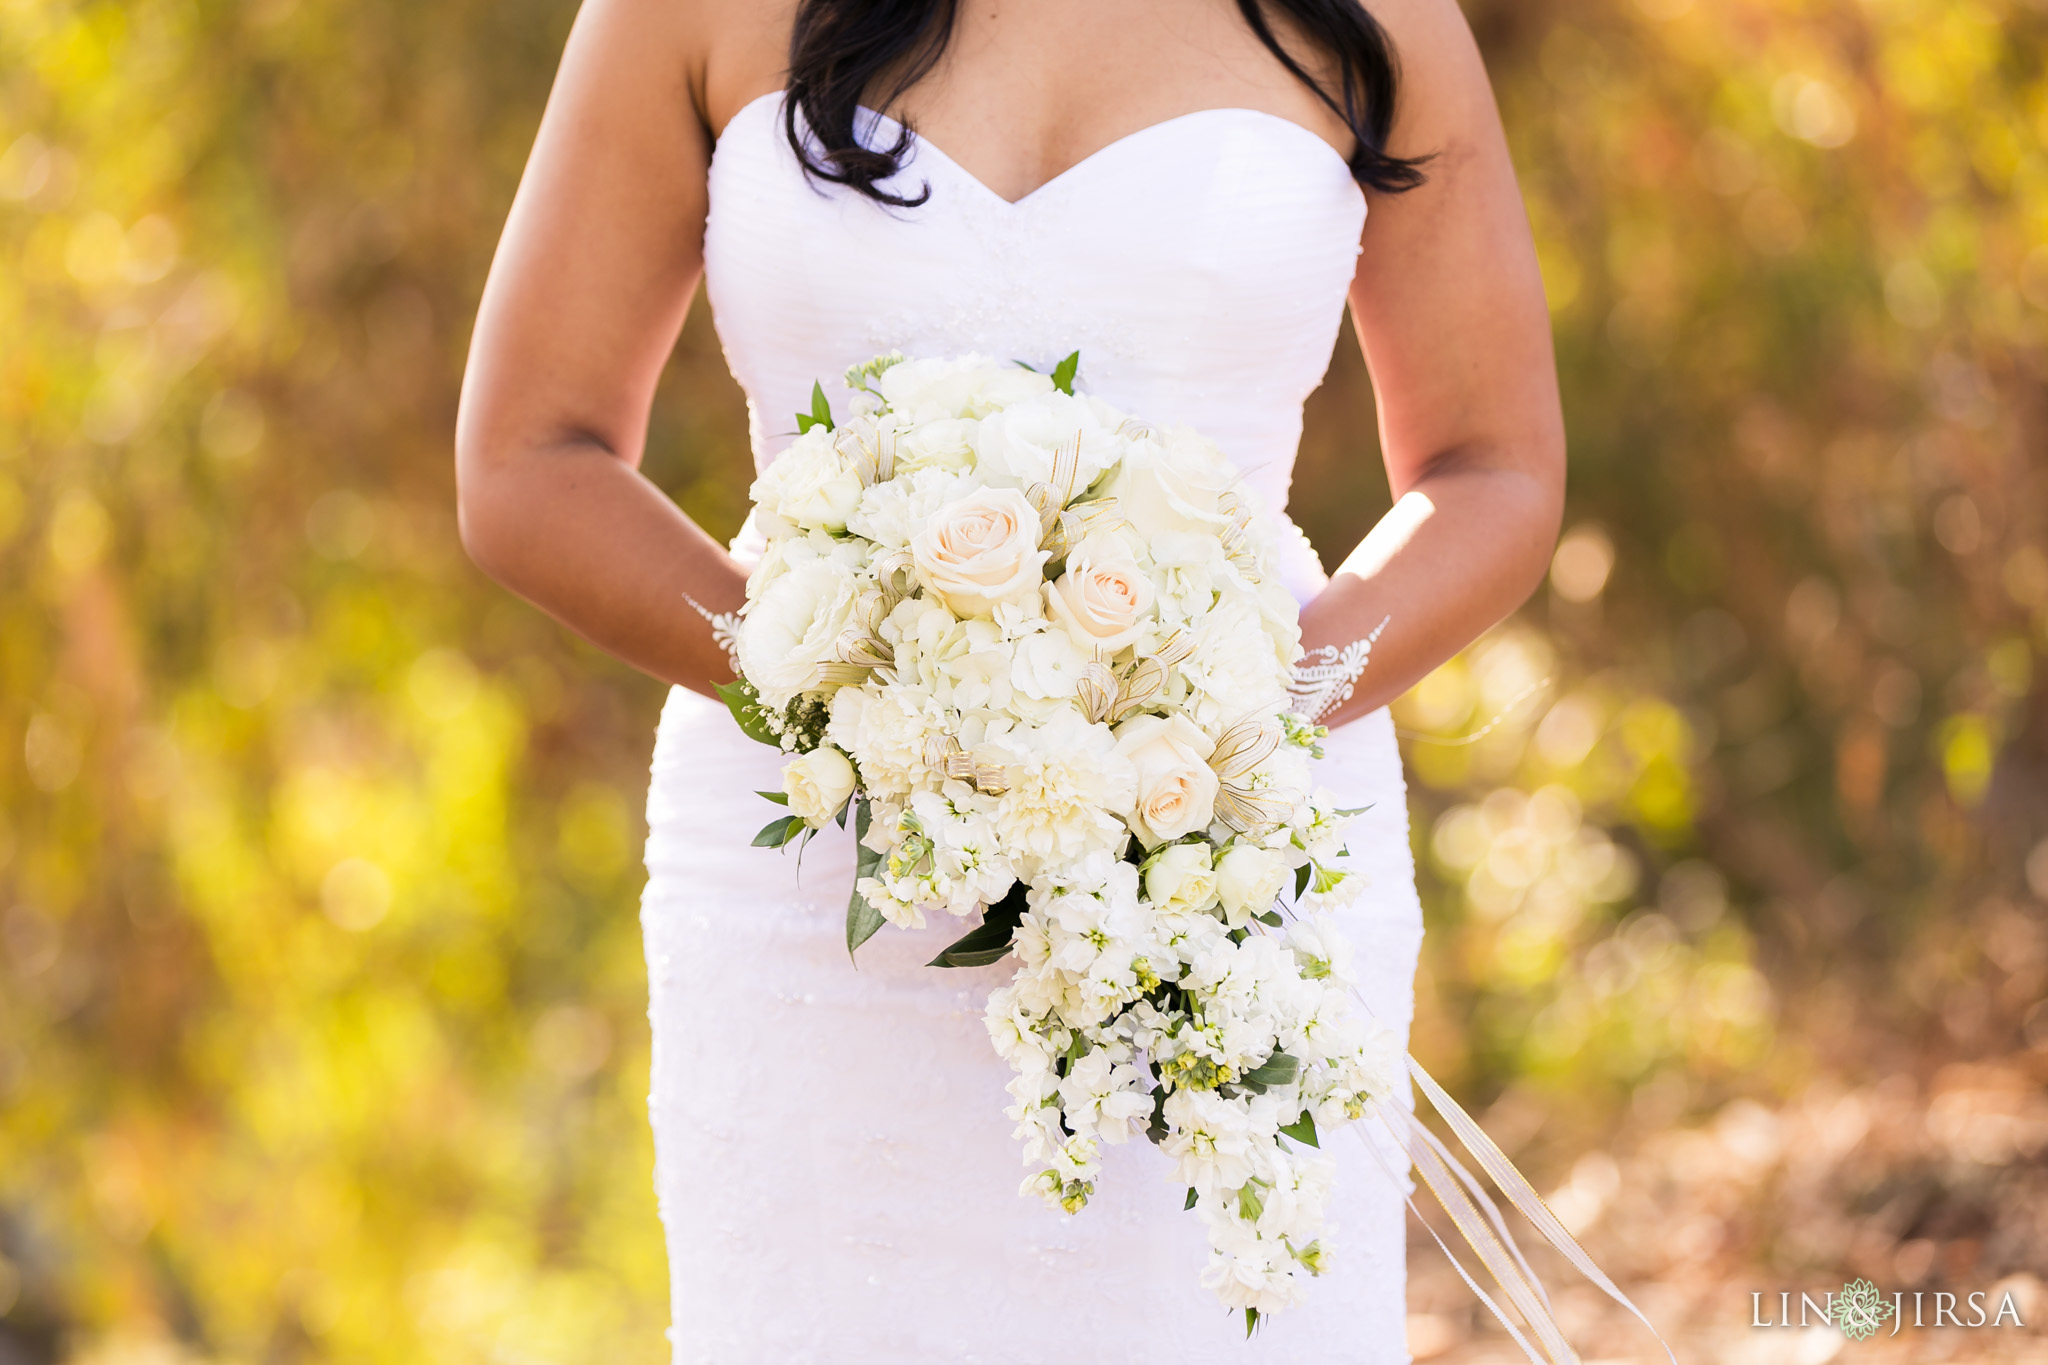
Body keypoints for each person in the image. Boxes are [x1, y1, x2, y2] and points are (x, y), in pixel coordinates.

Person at [455, 0, 1562, 1358]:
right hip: (815, 878)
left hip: (1225, 849)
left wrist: (1250, 717)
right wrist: (843, 695)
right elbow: (527, 461)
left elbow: (1493, 467)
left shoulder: (1375, 19)